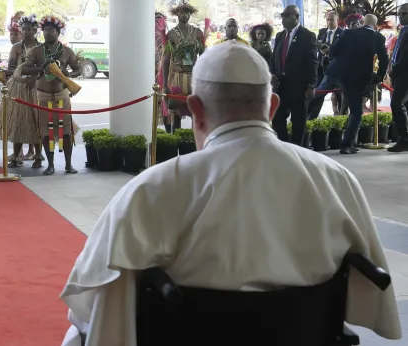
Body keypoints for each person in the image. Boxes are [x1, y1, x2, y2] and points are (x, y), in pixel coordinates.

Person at [59, 43, 401, 346]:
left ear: (195, 108)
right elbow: (370, 292)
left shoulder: (152, 189)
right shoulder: (336, 181)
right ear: (272, 108)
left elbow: (95, 307)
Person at [22, 16, 81, 176]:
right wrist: (40, 69)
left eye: (51, 30)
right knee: (46, 132)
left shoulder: (67, 51)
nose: (47, 33)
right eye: (45, 30)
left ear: (57, 32)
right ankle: (50, 165)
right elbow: (25, 69)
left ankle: (68, 165)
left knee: (66, 131)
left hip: (62, 94)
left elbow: (78, 69)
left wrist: (68, 73)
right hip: (44, 96)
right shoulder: (37, 51)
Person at [322, 14, 388, 154]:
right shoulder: (377, 37)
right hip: (355, 79)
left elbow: (333, 51)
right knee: (356, 112)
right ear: (375, 26)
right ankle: (347, 145)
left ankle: (301, 131)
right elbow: (384, 59)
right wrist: (379, 77)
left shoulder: (348, 32)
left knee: (315, 98)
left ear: (362, 22)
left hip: (334, 72)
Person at [0, 14, 43, 168]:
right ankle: (17, 156)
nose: (26, 32)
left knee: (36, 121)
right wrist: (21, 76)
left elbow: (44, 67)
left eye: (29, 29)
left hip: (36, 87)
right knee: (18, 121)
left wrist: (34, 76)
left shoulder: (41, 48)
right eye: (23, 29)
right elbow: (11, 68)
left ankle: (38, 155)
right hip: (18, 87)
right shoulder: (16, 47)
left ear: (35, 30)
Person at [271, 5, 318, 146]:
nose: (283, 19)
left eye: (286, 15)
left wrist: (311, 85)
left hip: (299, 86)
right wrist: (272, 75)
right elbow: (275, 58)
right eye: (282, 15)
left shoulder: (307, 35)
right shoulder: (280, 35)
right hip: (281, 86)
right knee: (278, 119)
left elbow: (312, 62)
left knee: (298, 121)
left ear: (296, 16)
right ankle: (284, 147)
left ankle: (298, 149)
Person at [162, 2, 205, 132]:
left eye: (187, 12)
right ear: (177, 14)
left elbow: (203, 58)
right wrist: (165, 84)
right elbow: (166, 60)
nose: (184, 15)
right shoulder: (172, 34)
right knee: (176, 115)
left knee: (195, 113)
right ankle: (176, 145)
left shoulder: (198, 33)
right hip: (177, 78)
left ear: (190, 15)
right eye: (181, 12)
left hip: (194, 78)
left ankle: (193, 146)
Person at [388, 4, 408, 152]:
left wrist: (395, 69)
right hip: (399, 73)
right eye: (399, 13)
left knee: (396, 104)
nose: (401, 16)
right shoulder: (403, 30)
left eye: (404, 13)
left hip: (405, 74)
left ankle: (404, 139)